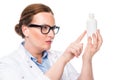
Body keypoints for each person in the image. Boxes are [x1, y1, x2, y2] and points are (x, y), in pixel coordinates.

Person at [0, 3, 103, 80]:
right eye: (44, 28)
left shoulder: (57, 57)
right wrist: (63, 60)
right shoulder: (8, 65)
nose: (52, 34)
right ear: (25, 30)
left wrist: (87, 58)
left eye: (53, 28)